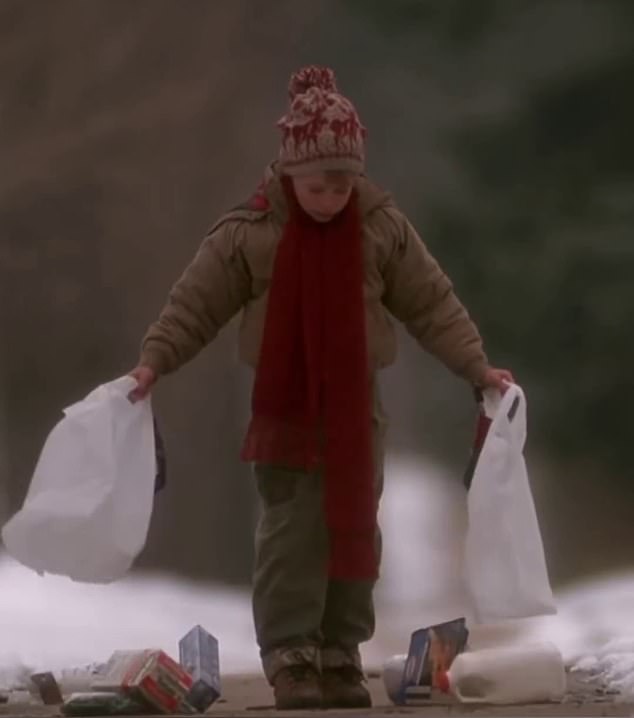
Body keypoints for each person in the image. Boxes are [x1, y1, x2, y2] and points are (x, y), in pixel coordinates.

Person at [128, 65, 513, 710]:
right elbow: (193, 305)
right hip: (285, 409)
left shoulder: (381, 229)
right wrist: (153, 362)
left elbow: (431, 304)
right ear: (289, 175)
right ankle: (291, 656)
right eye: (318, 186)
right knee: (293, 529)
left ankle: (339, 651)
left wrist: (477, 367)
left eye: (343, 186)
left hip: (360, 408)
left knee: (356, 521)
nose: (332, 199)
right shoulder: (251, 233)